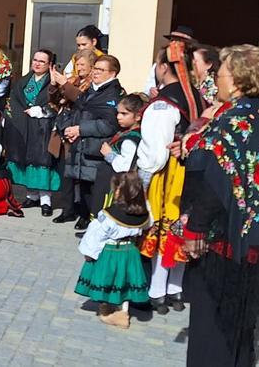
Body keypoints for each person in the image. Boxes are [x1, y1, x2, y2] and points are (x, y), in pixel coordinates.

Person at [178, 44, 259, 366]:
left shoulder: (233, 121)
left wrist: (194, 230)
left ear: (237, 80)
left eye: (219, 74)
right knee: (243, 325)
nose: (216, 80)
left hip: (223, 243)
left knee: (212, 328)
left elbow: (214, 184)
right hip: (257, 242)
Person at [136, 43, 205, 315]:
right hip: (192, 173)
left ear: (163, 67)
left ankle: (157, 290)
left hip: (168, 175)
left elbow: (156, 153)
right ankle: (175, 289)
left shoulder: (163, 104)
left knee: (162, 225)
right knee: (181, 226)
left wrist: (140, 181)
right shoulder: (198, 97)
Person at [75, 171, 152, 329]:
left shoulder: (109, 215)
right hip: (130, 251)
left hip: (111, 251)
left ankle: (110, 310)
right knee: (125, 280)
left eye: (117, 189)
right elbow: (146, 225)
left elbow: (97, 234)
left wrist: (89, 254)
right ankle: (124, 310)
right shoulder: (143, 213)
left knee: (109, 278)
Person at [56, 55, 125, 230]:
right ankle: (85, 216)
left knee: (96, 189)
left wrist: (80, 129)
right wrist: (71, 129)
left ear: (112, 73)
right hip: (83, 146)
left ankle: (95, 222)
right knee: (85, 186)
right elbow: (79, 111)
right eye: (95, 68)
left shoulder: (113, 93)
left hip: (97, 149)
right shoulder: (91, 90)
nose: (95, 72)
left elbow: (109, 125)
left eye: (101, 70)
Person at [6, 49, 62, 216]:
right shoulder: (23, 80)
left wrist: (41, 111)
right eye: (35, 60)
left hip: (43, 128)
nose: (37, 63)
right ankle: (31, 196)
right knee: (26, 160)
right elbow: (14, 100)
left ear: (49, 65)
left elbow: (58, 104)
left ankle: (46, 200)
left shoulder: (53, 83)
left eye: (42, 61)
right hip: (24, 126)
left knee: (43, 161)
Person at [94, 93, 146, 214]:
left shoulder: (130, 139)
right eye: (118, 113)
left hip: (117, 184)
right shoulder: (125, 133)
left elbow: (125, 166)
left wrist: (109, 154)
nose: (118, 117)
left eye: (124, 114)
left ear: (138, 116)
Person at [143, 26, 197, 97]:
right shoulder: (159, 64)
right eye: (173, 40)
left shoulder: (193, 66)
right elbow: (147, 87)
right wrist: (150, 91)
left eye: (179, 41)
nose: (175, 44)